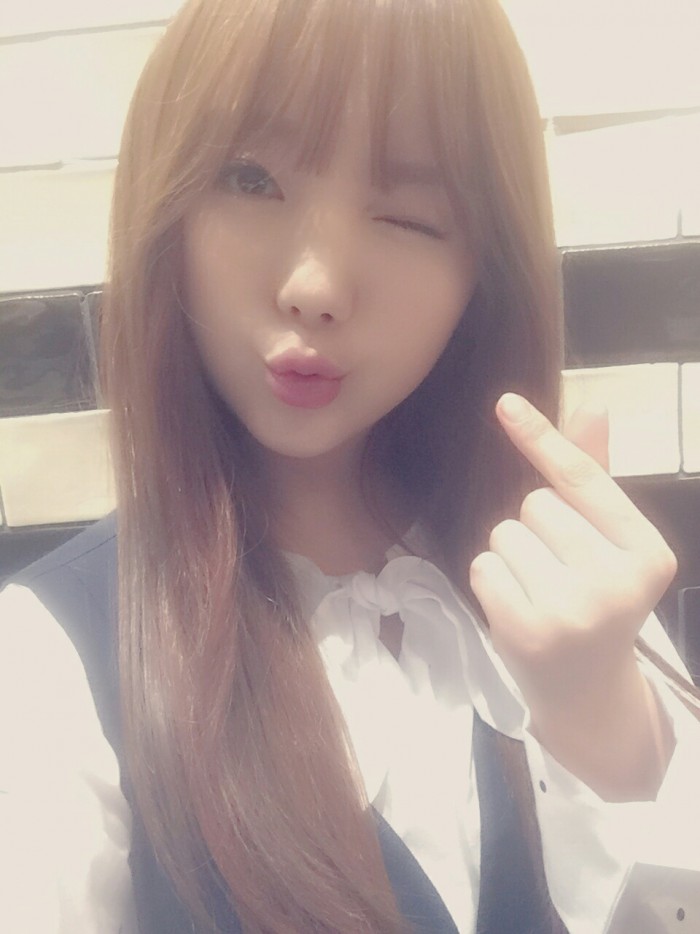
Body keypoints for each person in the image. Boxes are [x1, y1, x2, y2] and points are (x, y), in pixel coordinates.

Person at [1, 0, 699, 931]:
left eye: (408, 216)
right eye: (250, 178)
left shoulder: (570, 586)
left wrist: (607, 727)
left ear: (483, 273)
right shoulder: (50, 665)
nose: (317, 287)